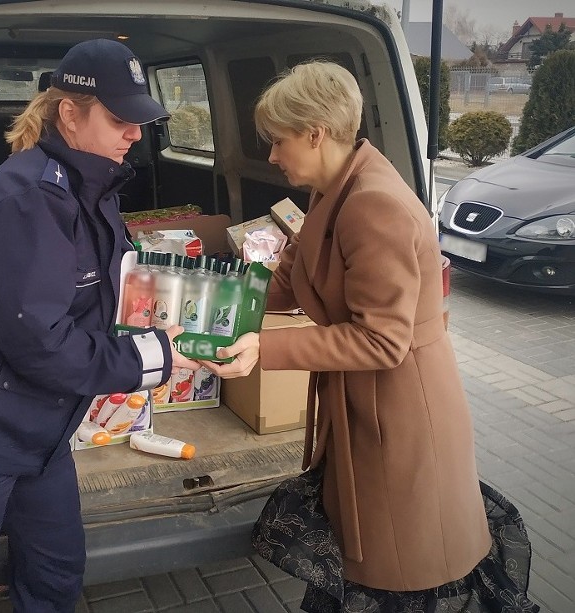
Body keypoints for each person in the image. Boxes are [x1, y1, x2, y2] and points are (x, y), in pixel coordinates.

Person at [199, 61, 538, 612]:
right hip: (370, 401)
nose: (271, 155)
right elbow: (288, 280)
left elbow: (382, 341)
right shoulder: (334, 185)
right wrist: (199, 305)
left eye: (277, 141)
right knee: (371, 545)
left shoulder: (372, 203)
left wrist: (266, 348)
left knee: (399, 557)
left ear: (315, 133)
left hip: (400, 410)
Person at [0, 38, 200, 613]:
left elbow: (87, 299)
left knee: (55, 574)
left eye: (140, 122)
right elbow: (39, 343)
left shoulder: (87, 188)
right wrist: (150, 358)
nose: (134, 134)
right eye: (120, 119)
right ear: (69, 114)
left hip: (38, 435)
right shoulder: (30, 197)